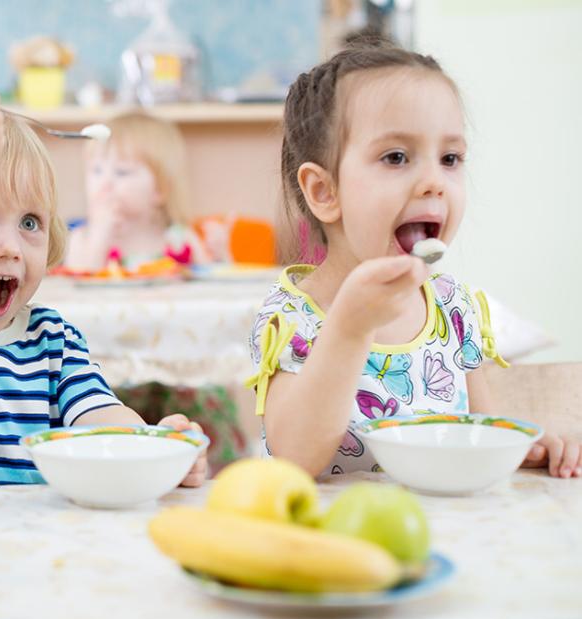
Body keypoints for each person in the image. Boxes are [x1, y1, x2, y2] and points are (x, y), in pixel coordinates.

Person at [247, 42, 581, 478]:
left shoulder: (452, 308)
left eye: (450, 159)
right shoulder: (292, 319)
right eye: (397, 157)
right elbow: (294, 459)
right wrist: (349, 327)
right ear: (324, 192)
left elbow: (481, 429)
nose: (433, 182)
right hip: (327, 536)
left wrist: (522, 446)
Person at [0, 78, 207, 487]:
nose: (10, 247)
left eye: (30, 223)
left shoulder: (54, 339)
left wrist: (156, 446)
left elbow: (99, 415)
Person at [65, 111, 209, 271]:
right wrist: (99, 235)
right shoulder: (82, 239)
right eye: (96, 170)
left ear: (160, 190)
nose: (105, 183)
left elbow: (212, 285)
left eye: (122, 172)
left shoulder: (181, 239)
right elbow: (80, 282)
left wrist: (222, 256)